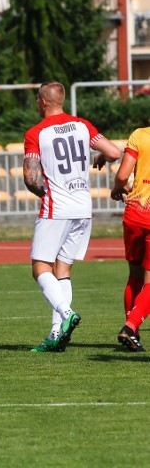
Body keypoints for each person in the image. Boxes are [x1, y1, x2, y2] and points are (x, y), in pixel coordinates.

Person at [23, 82, 121, 352]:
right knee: (62, 270)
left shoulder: (36, 132)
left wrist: (46, 194)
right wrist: (100, 155)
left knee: (40, 268)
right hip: (83, 207)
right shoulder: (82, 125)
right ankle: (57, 334)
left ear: (42, 102)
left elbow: (31, 180)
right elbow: (114, 152)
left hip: (58, 207)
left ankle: (66, 314)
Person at [111, 126, 150, 351]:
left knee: (134, 275)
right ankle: (130, 326)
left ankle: (133, 335)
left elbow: (123, 175)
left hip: (134, 213)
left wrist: (118, 188)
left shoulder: (139, 134)